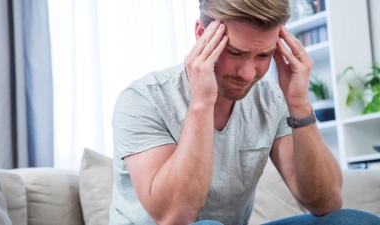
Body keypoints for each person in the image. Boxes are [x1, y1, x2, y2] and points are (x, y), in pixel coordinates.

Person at [109, 0, 380, 224]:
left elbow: (327, 203)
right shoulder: (143, 99)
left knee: (353, 220)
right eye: (235, 53)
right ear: (202, 37)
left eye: (263, 56)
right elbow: (174, 216)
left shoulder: (271, 98)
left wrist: (298, 104)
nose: (249, 74)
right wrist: (202, 102)